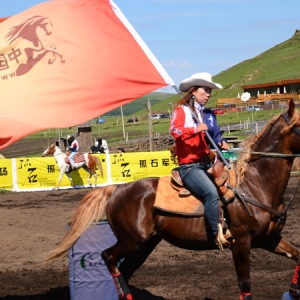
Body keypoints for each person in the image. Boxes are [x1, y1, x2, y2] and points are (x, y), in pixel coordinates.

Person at [170, 72, 233, 248]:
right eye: (205, 90)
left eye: (209, 91)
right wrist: (195, 129)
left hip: (206, 163)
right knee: (210, 193)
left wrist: (222, 142)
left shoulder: (205, 113)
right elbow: (175, 130)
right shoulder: (181, 110)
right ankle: (215, 234)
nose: (208, 95)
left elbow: (215, 134)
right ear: (193, 91)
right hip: (190, 166)